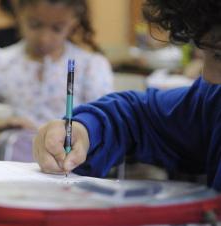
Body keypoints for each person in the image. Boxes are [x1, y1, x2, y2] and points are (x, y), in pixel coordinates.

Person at [33, 0, 221, 191]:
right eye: (205, 51)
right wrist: (85, 129)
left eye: (220, 55)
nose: (208, 76)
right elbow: (137, 117)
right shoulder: (214, 101)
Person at [0, 0, 113, 162]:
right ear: (18, 15)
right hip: (11, 163)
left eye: (57, 28)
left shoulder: (90, 66)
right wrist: (3, 123)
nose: (44, 39)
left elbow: (104, 126)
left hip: (69, 164)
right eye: (34, 25)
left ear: (74, 22)